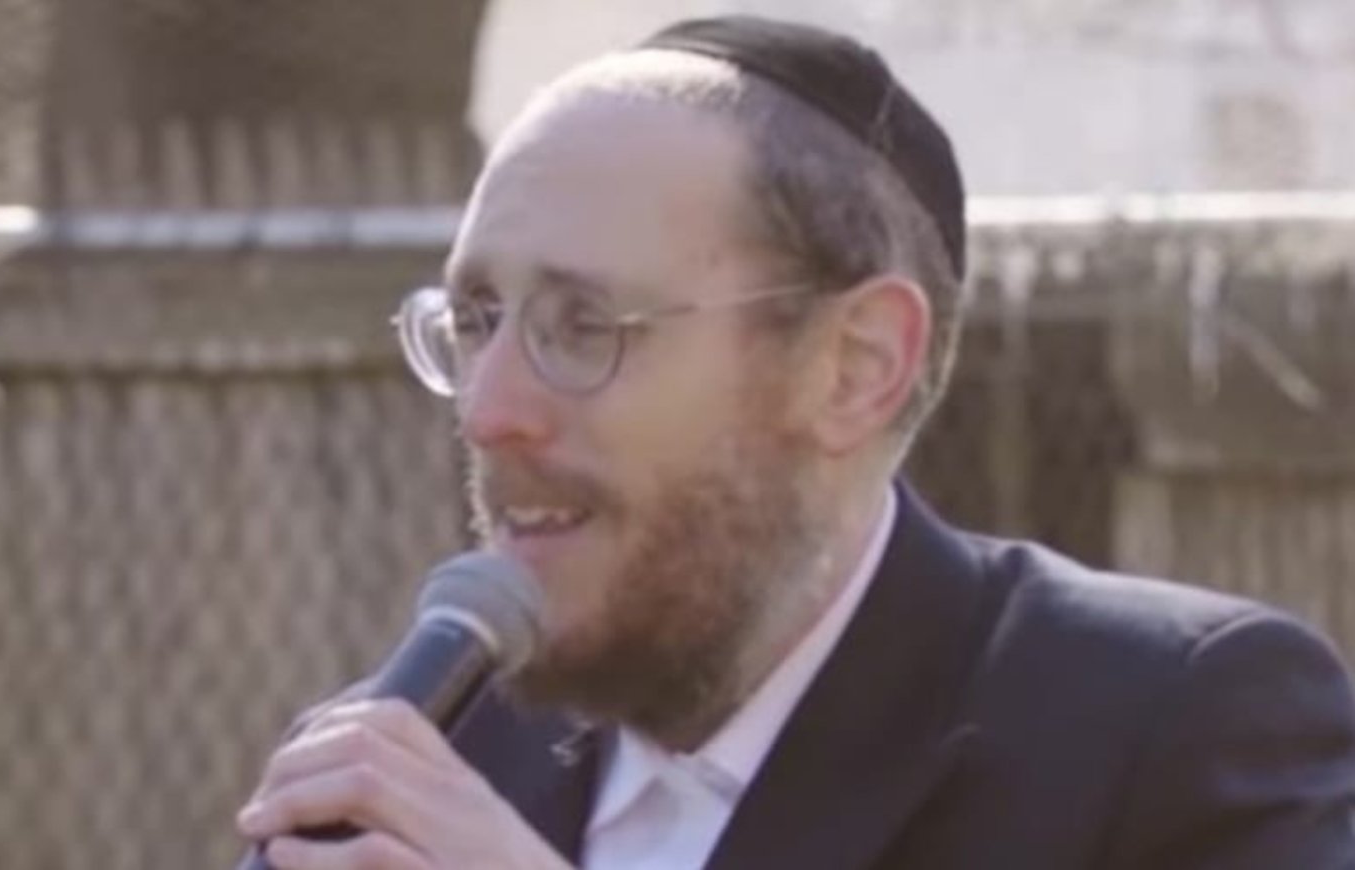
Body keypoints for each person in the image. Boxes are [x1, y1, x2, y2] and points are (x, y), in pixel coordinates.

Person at [235, 15, 1355, 870]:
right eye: (477, 320)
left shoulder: (1164, 732)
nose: (487, 410)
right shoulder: (420, 772)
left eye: (583, 327)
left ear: (852, 367)